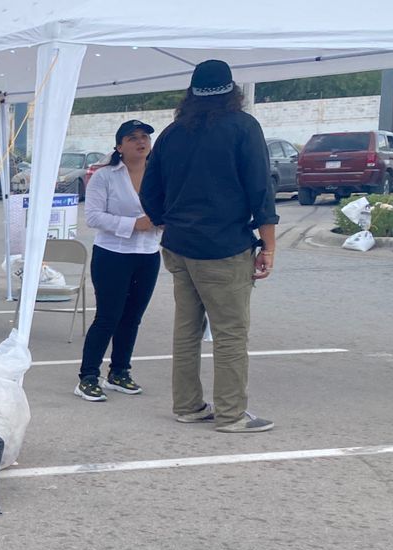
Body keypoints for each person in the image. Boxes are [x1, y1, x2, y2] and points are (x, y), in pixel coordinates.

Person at [140, 59, 277, 433]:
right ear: (231, 90)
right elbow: (260, 190)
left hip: (179, 245)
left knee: (186, 329)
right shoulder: (243, 128)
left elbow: (149, 191)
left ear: (192, 93)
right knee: (230, 333)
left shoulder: (171, 133)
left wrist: (168, 218)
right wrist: (268, 246)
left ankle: (187, 406)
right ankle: (231, 414)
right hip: (225, 245)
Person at [75, 119, 162, 402]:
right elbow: (94, 217)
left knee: (132, 317)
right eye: (133, 138)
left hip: (148, 253)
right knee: (108, 316)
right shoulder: (105, 176)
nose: (141, 142)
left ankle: (119, 371)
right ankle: (88, 376)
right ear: (119, 146)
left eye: (145, 138)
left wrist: (163, 222)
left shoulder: (159, 175)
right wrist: (132, 224)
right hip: (113, 254)